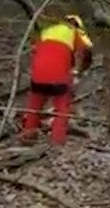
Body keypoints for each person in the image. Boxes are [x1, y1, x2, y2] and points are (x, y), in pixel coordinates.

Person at [20, 14, 94, 145]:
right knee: (62, 108)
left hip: (38, 73)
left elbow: (36, 50)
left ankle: (28, 134)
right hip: (58, 76)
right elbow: (88, 48)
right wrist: (80, 69)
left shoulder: (46, 31)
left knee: (34, 105)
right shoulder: (74, 32)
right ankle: (57, 140)